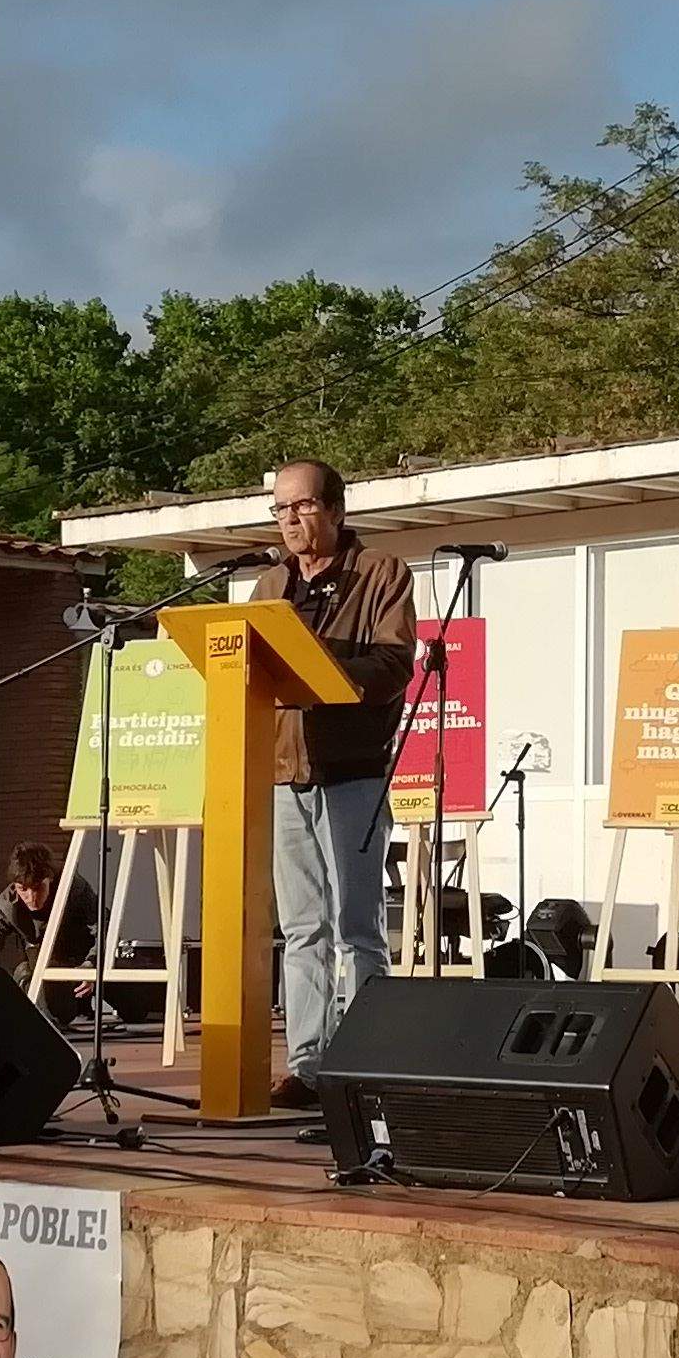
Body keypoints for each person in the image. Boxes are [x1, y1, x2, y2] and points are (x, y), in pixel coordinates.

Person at [241, 458, 413, 1103]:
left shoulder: (380, 573)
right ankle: (309, 1064)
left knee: (355, 926)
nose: (289, 519)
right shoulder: (267, 585)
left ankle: (366, 1061)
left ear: (336, 509)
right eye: (280, 508)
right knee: (302, 929)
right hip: (284, 774)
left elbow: (394, 661)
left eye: (302, 506)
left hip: (352, 774)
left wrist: (323, 674)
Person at [0, 840, 97, 987]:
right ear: (14, 885)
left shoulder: (73, 888)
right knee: (24, 971)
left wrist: (91, 964)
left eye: (38, 888)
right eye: (23, 890)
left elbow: (104, 928)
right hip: (41, 963)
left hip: (82, 955)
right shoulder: (8, 904)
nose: (32, 898)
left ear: (50, 879)